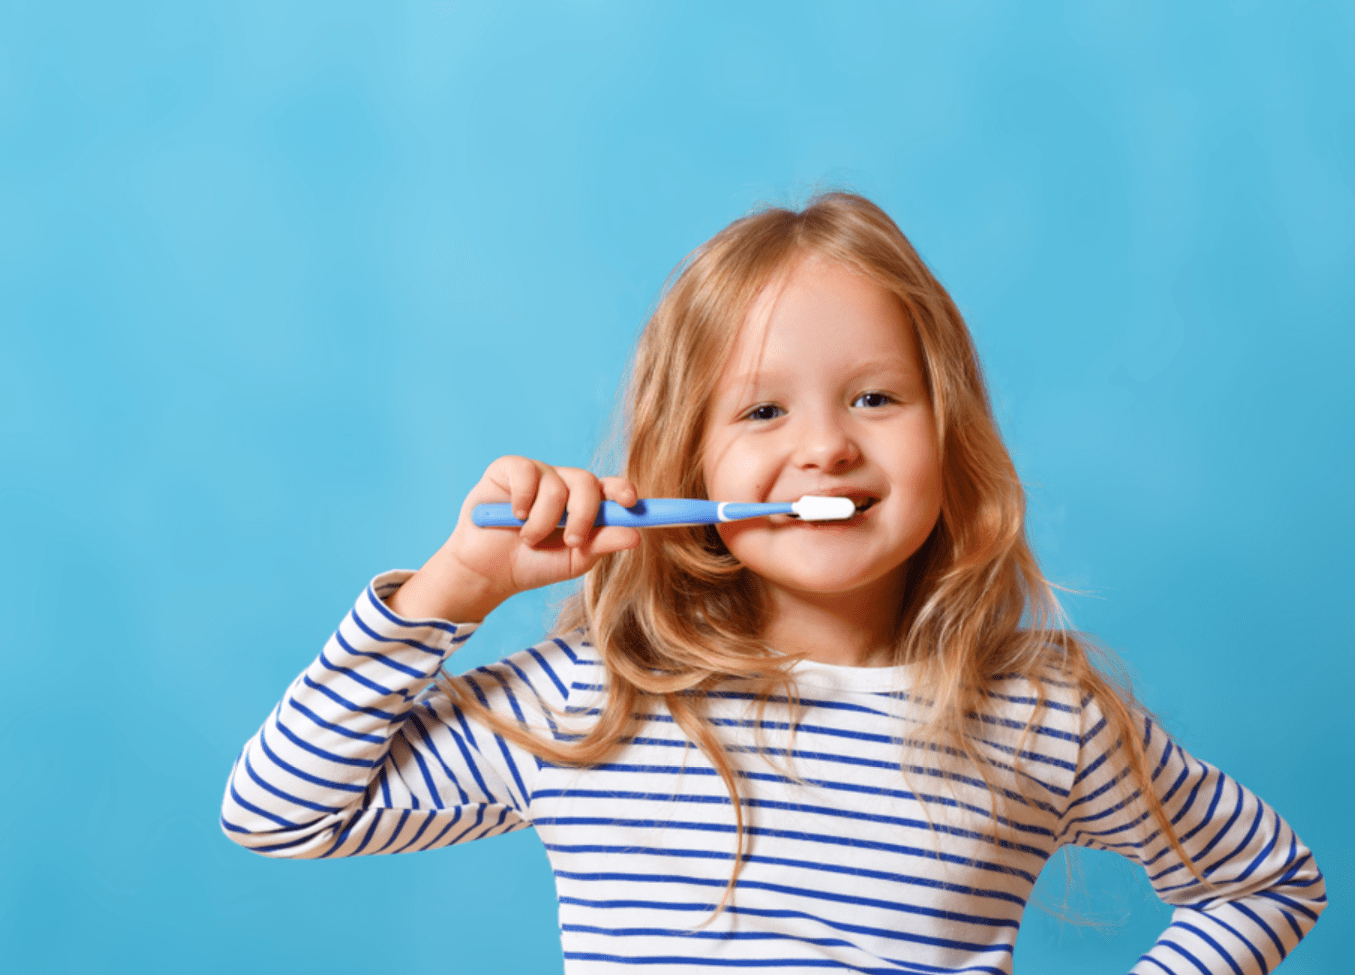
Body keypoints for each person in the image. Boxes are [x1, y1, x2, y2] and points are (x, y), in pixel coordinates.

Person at [220, 193, 1324, 972]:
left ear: (952, 437)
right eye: (761, 410)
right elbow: (281, 812)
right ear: (684, 467)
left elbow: (1266, 881)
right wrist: (457, 586)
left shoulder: (1041, 715)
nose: (825, 450)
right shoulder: (592, 697)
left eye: (874, 399)